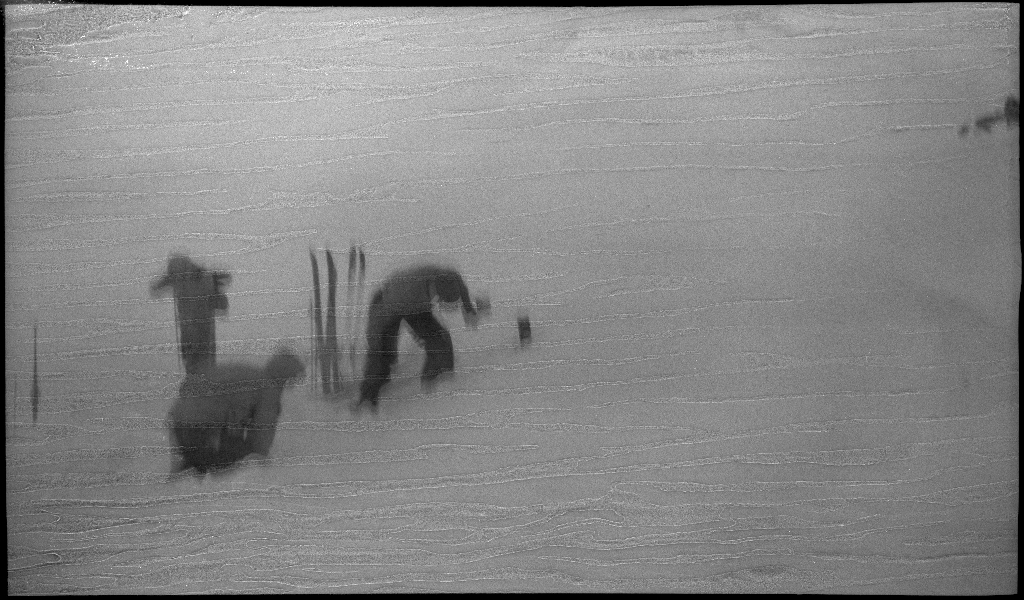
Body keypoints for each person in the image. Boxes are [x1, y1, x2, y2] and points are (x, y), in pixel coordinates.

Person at [359, 263, 480, 407]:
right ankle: (368, 396)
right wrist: (376, 345)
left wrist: (468, 308)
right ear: (434, 287)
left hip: (417, 304)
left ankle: (441, 379)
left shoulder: (448, 277)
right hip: (387, 305)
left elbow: (460, 286)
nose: (439, 301)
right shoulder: (405, 292)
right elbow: (378, 327)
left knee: (439, 338)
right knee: (382, 349)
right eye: (439, 298)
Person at [150, 253, 231, 375]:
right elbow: (222, 304)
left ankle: (200, 384)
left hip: (201, 329)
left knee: (200, 361)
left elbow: (222, 304)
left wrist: (214, 289)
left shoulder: (204, 279)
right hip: (191, 330)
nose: (178, 279)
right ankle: (198, 384)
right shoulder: (200, 278)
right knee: (197, 361)